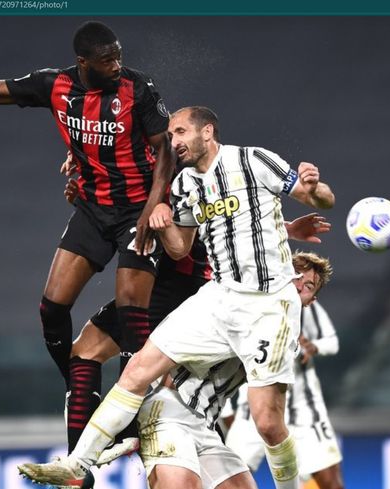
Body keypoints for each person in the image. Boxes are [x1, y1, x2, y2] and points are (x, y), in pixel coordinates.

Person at [18, 105, 335, 489]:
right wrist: (162, 220)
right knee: (133, 369)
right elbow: (180, 247)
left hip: (261, 304)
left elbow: (317, 200)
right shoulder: (183, 185)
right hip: (217, 296)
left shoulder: (252, 160)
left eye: (182, 132)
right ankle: (78, 464)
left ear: (208, 132)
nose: (175, 141)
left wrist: (315, 190)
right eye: (171, 135)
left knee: (267, 422)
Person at [0, 21, 175, 445]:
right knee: (52, 309)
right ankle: (77, 384)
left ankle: (136, 412)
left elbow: (165, 150)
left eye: (119, 55)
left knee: (130, 310)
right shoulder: (55, 85)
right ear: (84, 63)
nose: (117, 64)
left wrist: (156, 203)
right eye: (108, 60)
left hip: (137, 212)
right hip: (92, 210)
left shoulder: (138, 90)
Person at [222, 253, 345, 489]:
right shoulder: (250, 305)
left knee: (331, 484)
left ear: (313, 299)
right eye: (296, 277)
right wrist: (227, 410)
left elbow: (332, 342)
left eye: (308, 285)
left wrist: (314, 346)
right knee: (226, 481)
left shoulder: (310, 312)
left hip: (304, 408)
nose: (299, 286)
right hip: (253, 409)